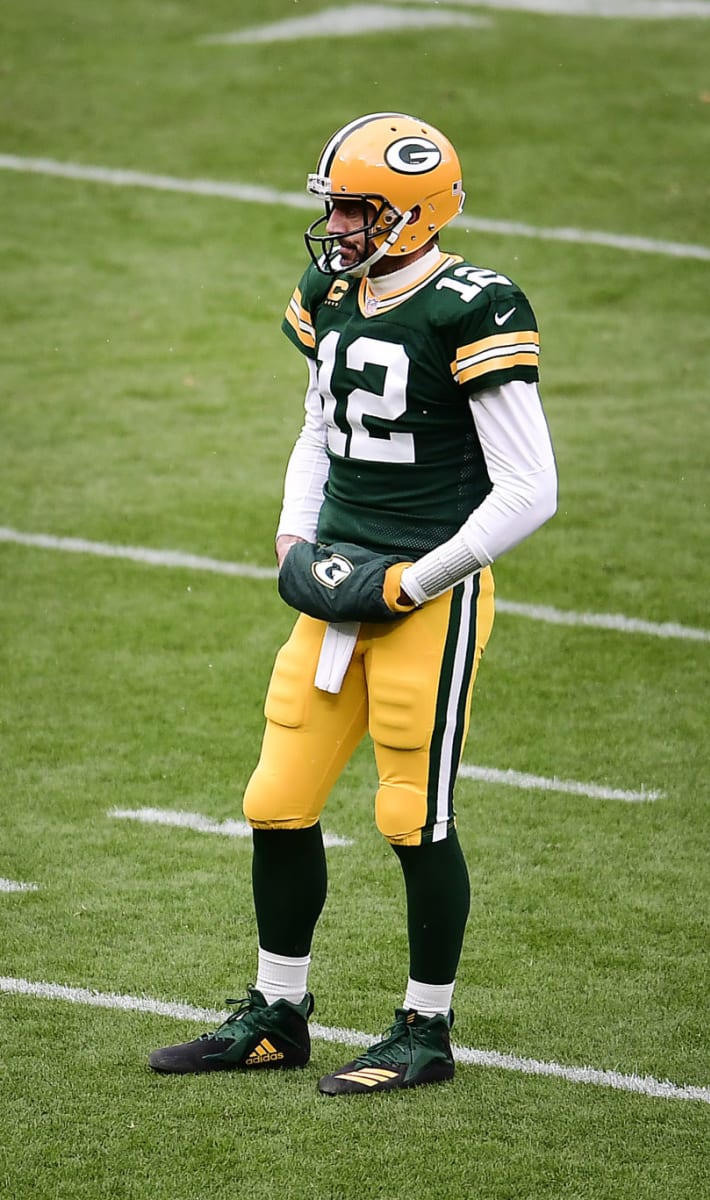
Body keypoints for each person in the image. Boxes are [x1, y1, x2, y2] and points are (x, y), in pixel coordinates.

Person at [149, 112, 557, 1095]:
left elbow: (531, 488)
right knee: (277, 800)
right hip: (337, 581)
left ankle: (425, 1028)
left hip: (431, 592)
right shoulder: (331, 289)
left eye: (356, 207)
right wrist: (296, 535)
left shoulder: (473, 303)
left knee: (412, 814)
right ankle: (277, 1012)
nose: (335, 224)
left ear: (415, 213)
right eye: (331, 204)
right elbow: (316, 426)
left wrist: (416, 581)